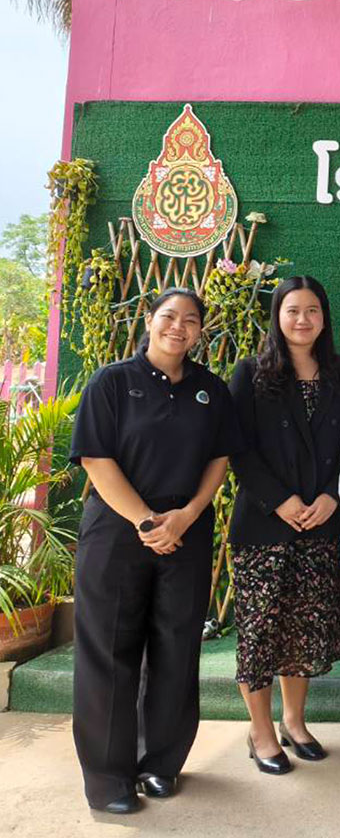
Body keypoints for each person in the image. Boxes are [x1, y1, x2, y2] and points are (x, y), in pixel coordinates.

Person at [70, 288, 239, 813]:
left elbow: (219, 459)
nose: (178, 327)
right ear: (149, 321)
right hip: (118, 533)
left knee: (176, 649)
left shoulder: (211, 389)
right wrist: (145, 520)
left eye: (190, 320)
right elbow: (95, 459)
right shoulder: (112, 381)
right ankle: (108, 780)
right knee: (109, 653)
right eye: (169, 316)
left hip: (185, 533)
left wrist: (187, 514)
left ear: (200, 331)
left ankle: (161, 764)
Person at [228, 276, 340, 775]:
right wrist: (280, 501)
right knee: (260, 631)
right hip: (265, 525)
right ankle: (261, 731)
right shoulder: (251, 372)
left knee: (303, 630)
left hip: (323, 521)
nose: (302, 319)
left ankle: (294, 721)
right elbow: (238, 448)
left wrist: (333, 496)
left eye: (312, 310)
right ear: (277, 317)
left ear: (324, 318)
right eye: (292, 310)